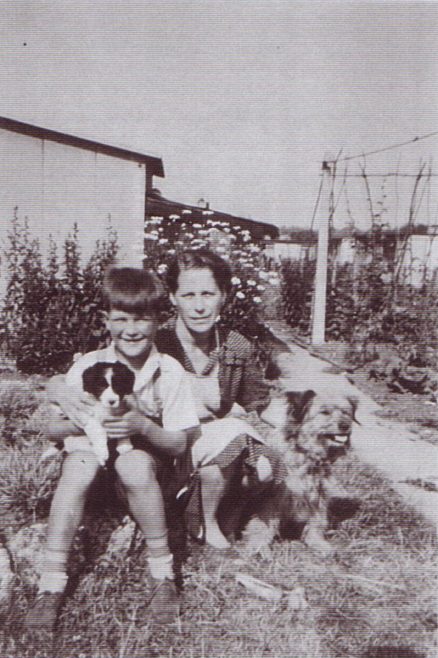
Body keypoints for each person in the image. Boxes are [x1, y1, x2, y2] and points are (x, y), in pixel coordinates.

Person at [25, 266, 199, 631]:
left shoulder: (169, 371)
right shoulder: (88, 366)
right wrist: (80, 420)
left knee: (134, 463)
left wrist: (143, 426)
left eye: (141, 319)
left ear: (158, 319)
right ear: (106, 320)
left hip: (143, 472)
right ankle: (51, 585)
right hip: (92, 463)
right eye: (120, 319)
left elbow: (180, 442)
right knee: (78, 464)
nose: (131, 329)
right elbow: (50, 428)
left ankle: (163, 577)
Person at [156, 249, 286, 549]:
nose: (200, 306)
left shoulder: (236, 346)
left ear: (223, 296)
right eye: (188, 295)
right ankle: (204, 521)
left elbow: (261, 401)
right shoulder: (158, 343)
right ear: (173, 297)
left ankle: (224, 510)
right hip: (167, 441)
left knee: (265, 464)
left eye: (208, 294)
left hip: (212, 445)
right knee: (234, 435)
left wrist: (304, 423)